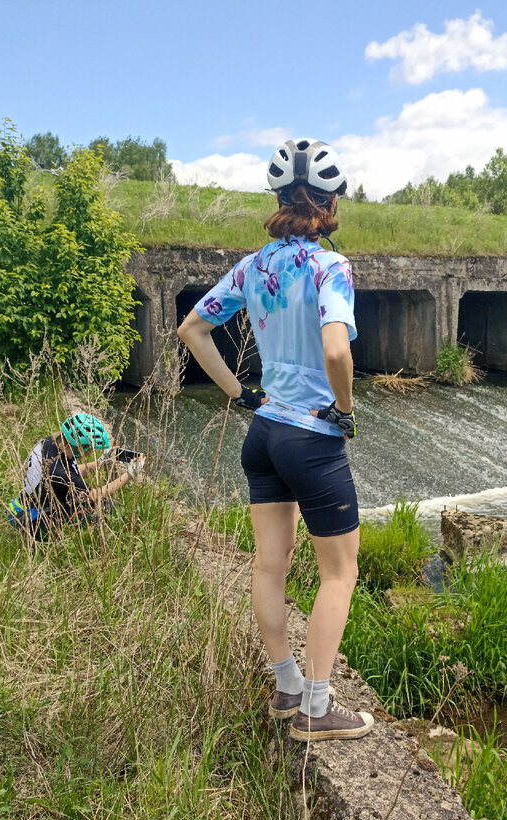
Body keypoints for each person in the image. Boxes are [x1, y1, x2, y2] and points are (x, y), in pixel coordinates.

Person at [176, 138, 371, 742]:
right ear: (331, 202)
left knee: (270, 565)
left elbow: (192, 329)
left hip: (262, 433)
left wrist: (239, 394)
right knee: (340, 574)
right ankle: (318, 706)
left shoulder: (253, 265)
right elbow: (337, 348)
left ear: (280, 198)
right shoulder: (330, 268)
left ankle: (287, 686)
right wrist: (344, 410)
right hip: (310, 436)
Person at [9, 412, 146, 540]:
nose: (88, 452)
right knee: (106, 507)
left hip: (20, 506)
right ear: (79, 445)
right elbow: (95, 495)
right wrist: (129, 474)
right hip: (31, 520)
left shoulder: (50, 444)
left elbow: (72, 472)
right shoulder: (60, 473)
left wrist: (100, 462)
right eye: (88, 448)